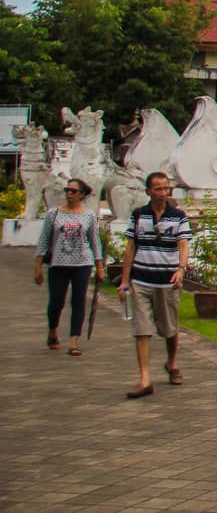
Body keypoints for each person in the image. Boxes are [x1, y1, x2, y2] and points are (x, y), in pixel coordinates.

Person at [119, 171, 191, 399]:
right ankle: (144, 379)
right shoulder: (139, 215)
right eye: (158, 189)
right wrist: (124, 281)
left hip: (166, 279)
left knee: (169, 328)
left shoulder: (178, 216)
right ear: (148, 191)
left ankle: (171, 362)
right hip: (141, 278)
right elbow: (131, 247)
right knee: (142, 330)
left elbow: (183, 245)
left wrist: (180, 269)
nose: (162, 193)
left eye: (165, 188)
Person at [33, 177, 107, 356]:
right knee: (56, 302)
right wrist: (37, 265)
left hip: (82, 262)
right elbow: (44, 239)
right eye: (67, 190)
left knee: (79, 301)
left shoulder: (88, 215)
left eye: (73, 191)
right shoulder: (54, 213)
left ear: (81, 194)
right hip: (59, 262)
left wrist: (99, 266)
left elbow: (94, 241)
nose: (69, 194)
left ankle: (74, 340)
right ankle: (53, 330)